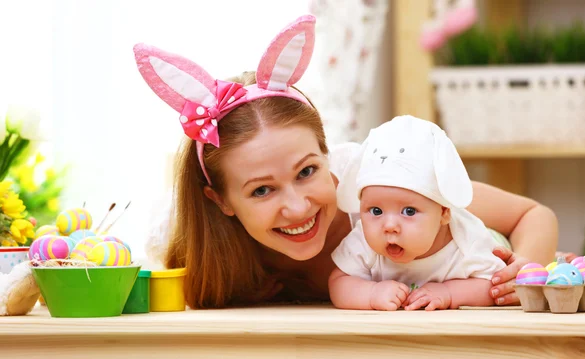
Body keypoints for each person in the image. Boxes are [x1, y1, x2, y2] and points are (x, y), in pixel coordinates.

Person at [136, 15, 559, 309]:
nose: (299, 207)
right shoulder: (208, 253)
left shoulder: (386, 180)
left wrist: (527, 266)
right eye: (262, 189)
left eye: (307, 171)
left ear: (329, 155)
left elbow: (532, 214)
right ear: (221, 200)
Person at [329, 115, 507, 311]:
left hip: (497, 241)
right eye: (376, 211)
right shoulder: (364, 239)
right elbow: (339, 281)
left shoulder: (468, 241)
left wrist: (448, 292)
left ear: (444, 212)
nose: (389, 226)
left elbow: (495, 285)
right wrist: (371, 293)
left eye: (409, 211)